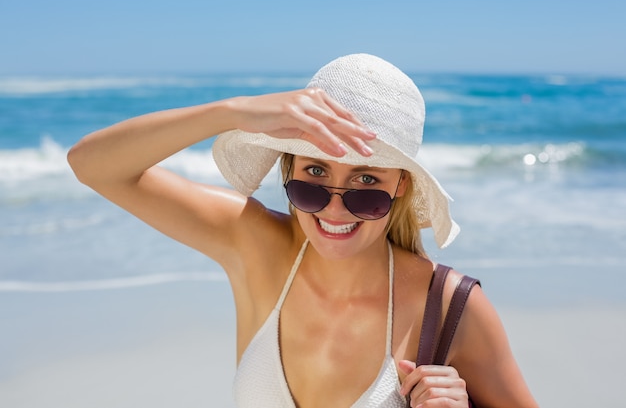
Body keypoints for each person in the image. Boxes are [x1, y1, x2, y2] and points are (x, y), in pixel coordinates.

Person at [68, 54, 538, 408]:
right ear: (288, 167)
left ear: (400, 186)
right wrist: (232, 112)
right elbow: (93, 166)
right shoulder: (251, 243)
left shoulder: (451, 306)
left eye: (366, 182)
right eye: (314, 175)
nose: (334, 208)